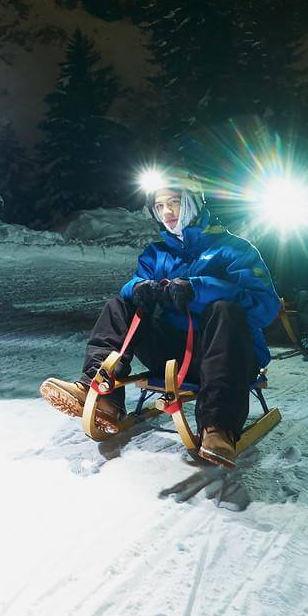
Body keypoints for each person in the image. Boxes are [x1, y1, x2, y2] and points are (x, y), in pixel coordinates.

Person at [39, 172, 281, 466]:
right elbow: (132, 285)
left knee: (224, 310)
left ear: (192, 203)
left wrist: (199, 289)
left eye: (174, 202)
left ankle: (218, 427)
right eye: (160, 206)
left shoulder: (234, 250)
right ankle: (101, 393)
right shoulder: (156, 254)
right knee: (121, 305)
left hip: (228, 357)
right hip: (173, 358)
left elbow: (265, 307)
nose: (166, 212)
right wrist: (139, 288)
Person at [252, 227, 308, 360]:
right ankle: (248, 339)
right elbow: (255, 270)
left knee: (306, 298)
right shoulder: (266, 247)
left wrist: (307, 285)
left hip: (302, 289)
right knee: (251, 298)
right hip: (274, 288)